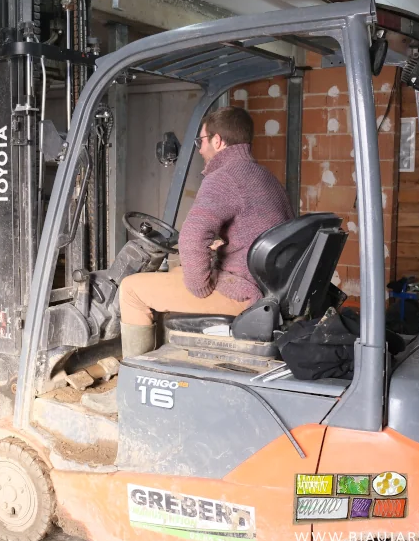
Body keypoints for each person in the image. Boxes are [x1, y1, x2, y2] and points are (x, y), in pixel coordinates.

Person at [82, 107, 293, 413]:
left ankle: (130, 393)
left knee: (132, 289)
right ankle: (161, 365)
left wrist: (200, 286)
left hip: (243, 292)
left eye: (201, 141)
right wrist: (220, 249)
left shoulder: (225, 177)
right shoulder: (265, 177)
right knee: (178, 269)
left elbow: (192, 236)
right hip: (265, 285)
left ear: (218, 141)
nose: (201, 149)